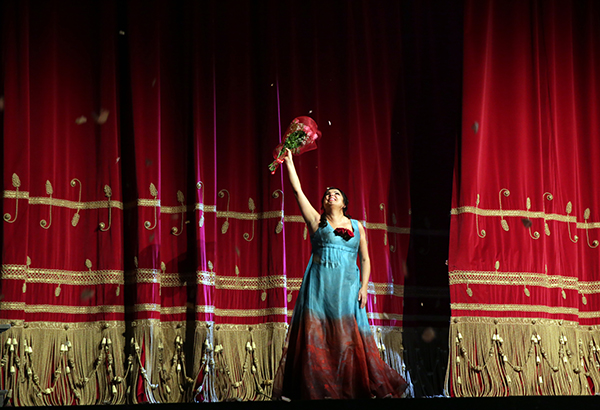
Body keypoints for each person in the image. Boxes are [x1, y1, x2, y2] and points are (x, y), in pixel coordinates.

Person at [272, 149, 408, 400]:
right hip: (319, 289)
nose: (330, 196)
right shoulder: (316, 221)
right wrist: (289, 162)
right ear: (323, 203)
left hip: (347, 290)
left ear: (344, 202)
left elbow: (365, 259)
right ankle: (316, 389)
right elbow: (297, 192)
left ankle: (354, 388)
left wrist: (364, 287)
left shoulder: (357, 227)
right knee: (318, 336)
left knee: (347, 338)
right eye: (326, 194)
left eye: (335, 194)